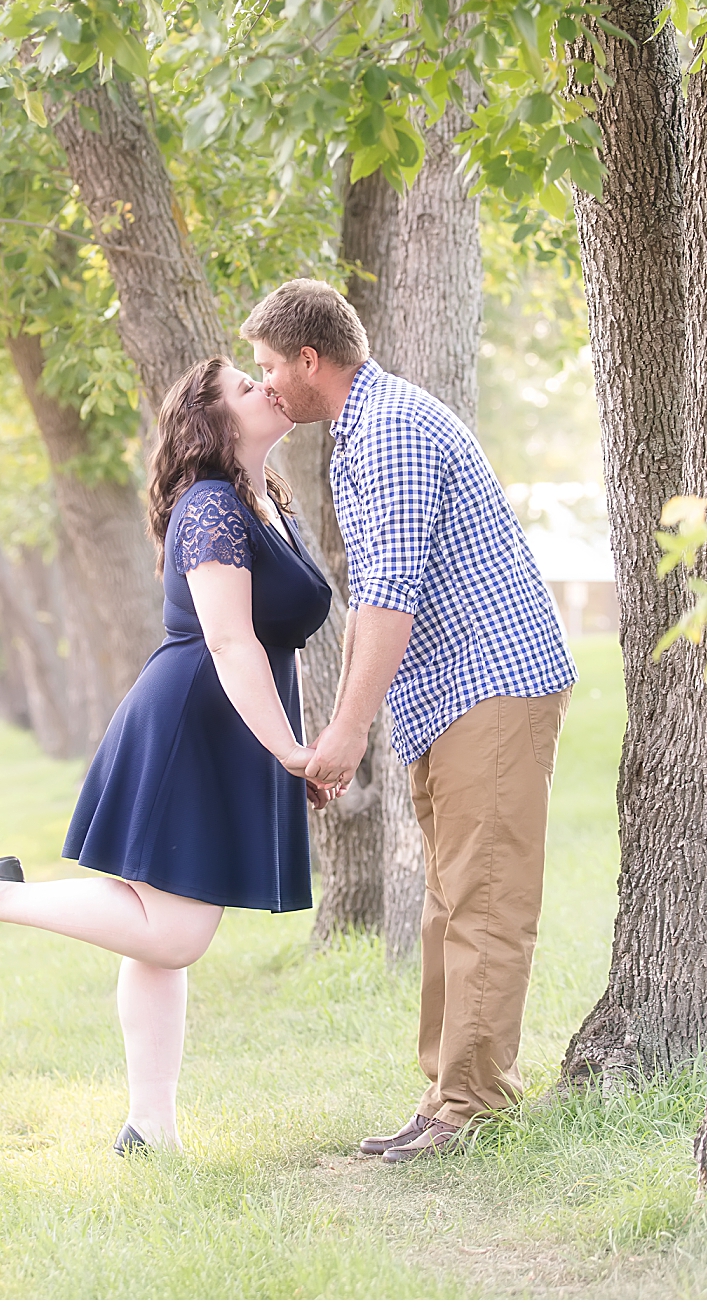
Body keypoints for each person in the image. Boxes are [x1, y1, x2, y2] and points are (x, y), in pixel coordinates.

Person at [0, 356, 332, 1155]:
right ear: (211, 423)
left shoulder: (270, 503)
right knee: (171, 936)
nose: (264, 387)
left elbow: (281, 642)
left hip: (234, 728)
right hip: (190, 726)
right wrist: (286, 750)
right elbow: (230, 639)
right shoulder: (209, 506)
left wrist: (294, 749)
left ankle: (149, 1127)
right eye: (245, 385)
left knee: (154, 936)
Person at [241, 279, 576, 1164]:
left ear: (311, 360)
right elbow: (383, 603)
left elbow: (387, 602)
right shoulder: (361, 431)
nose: (267, 384)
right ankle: (443, 1099)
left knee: (485, 899)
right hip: (452, 697)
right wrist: (363, 722)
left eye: (272, 367)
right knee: (447, 902)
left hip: (492, 684)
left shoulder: (387, 431)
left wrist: (346, 734)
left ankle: (473, 1108)